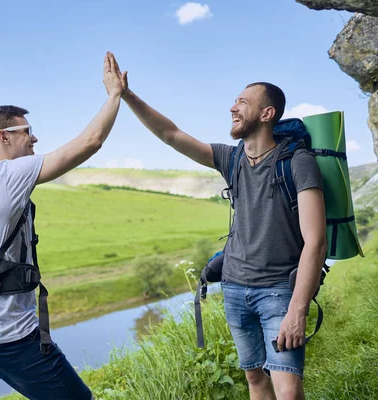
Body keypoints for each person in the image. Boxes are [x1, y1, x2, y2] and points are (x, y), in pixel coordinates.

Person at [108, 53, 327, 400]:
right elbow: (170, 134)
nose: (232, 107)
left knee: (288, 389)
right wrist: (126, 95)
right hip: (235, 288)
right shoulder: (232, 158)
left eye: (242, 102)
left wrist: (297, 311)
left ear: (267, 114)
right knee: (255, 379)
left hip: (278, 293)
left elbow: (316, 242)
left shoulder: (297, 163)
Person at [0, 52, 124, 400]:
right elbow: (90, 143)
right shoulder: (9, 174)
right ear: (4, 137)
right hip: (6, 334)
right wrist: (114, 94)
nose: (35, 139)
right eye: (27, 132)